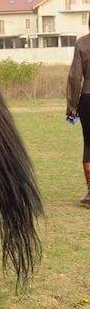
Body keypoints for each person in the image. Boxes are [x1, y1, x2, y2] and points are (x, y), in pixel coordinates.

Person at [67, 33, 90, 207]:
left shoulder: (82, 43)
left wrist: (72, 108)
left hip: (87, 98)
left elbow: (75, 78)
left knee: (89, 144)